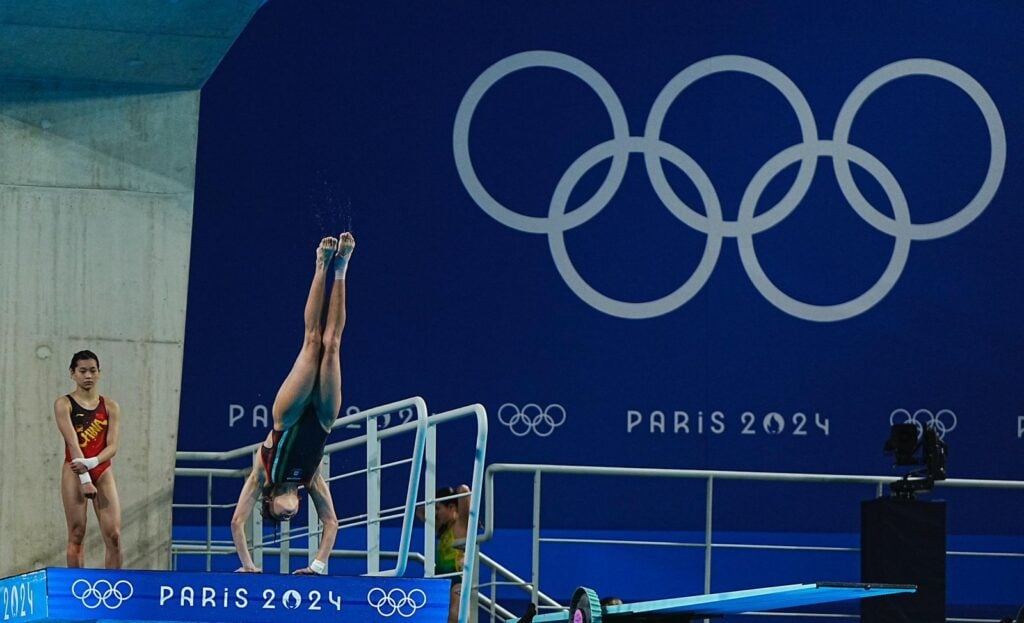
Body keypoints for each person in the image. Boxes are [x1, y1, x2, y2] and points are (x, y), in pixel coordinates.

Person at [230, 233, 354, 575]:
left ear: (269, 503)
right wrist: (317, 565)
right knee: (333, 345)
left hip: (289, 416)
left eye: (279, 516)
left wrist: (248, 565)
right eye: (293, 515)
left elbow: (238, 521)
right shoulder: (310, 481)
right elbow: (331, 523)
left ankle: (320, 265)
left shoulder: (261, 474)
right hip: (324, 419)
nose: (289, 516)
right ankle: (341, 269)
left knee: (313, 340)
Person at [53, 350, 123, 569]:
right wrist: (84, 478)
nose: (88, 376)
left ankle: (114, 589)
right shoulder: (64, 404)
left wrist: (93, 464)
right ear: (72, 374)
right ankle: (76, 589)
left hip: (101, 469)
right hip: (74, 469)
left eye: (92, 371)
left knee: (114, 536)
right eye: (82, 371)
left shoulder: (110, 406)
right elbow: (73, 443)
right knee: (77, 533)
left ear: (99, 373)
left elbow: (112, 446)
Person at [418, 484, 471, 623]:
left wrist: (452, 493)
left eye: (438, 509)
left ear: (452, 508)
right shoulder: (441, 530)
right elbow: (420, 512)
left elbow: (464, 491)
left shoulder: (461, 526)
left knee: (455, 615)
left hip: (457, 579)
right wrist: (436, 503)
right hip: (442, 579)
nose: (435, 513)